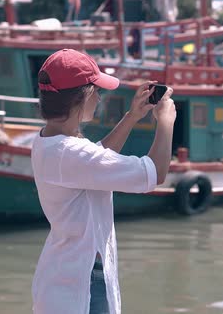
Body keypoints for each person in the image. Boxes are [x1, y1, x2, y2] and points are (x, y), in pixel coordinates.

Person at [30, 49, 176, 314]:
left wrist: (132, 116)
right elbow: (154, 173)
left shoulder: (47, 141)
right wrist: (166, 122)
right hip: (83, 285)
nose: (99, 98)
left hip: (62, 276)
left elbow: (95, 161)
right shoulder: (71, 153)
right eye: (96, 91)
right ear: (82, 95)